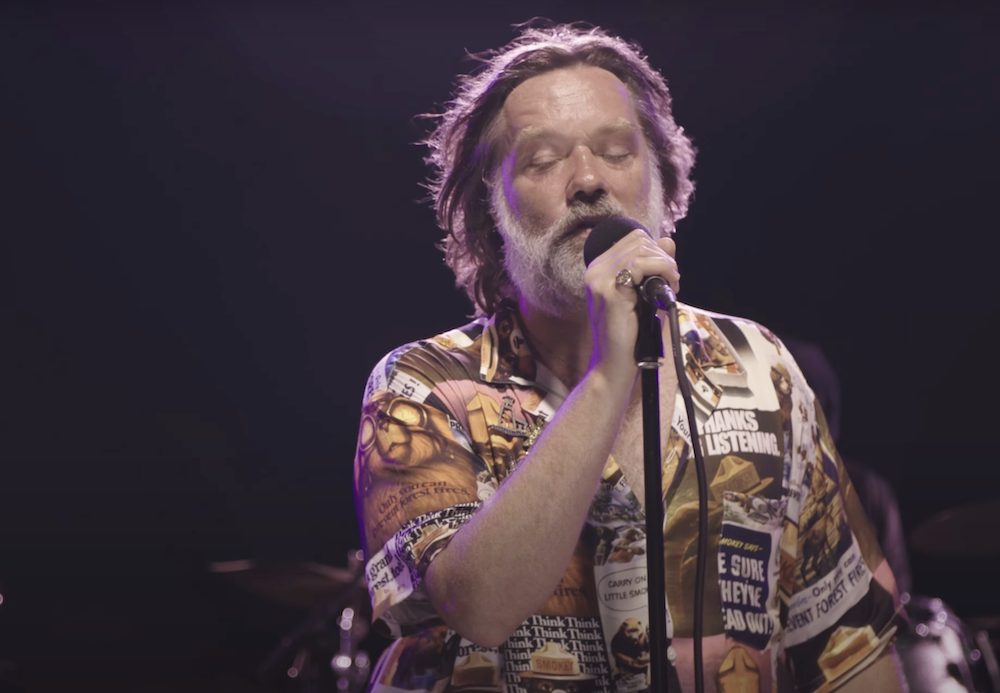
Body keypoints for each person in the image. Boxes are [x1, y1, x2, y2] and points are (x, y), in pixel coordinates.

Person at [353, 22, 904, 692]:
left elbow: (851, 649)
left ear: (665, 188)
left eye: (617, 152)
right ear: (488, 213)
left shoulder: (762, 369)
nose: (588, 180)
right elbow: (479, 607)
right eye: (542, 161)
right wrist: (610, 371)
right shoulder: (423, 387)